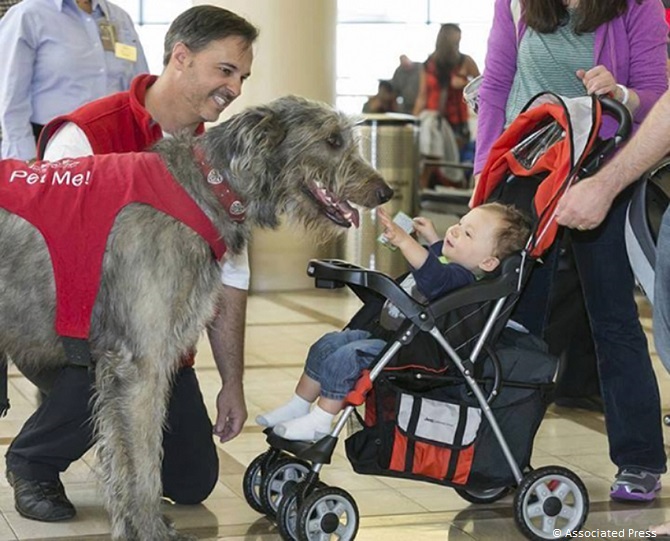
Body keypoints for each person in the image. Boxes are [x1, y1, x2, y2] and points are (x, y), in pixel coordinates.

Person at [5, 5, 258, 522]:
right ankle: (33, 460)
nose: (235, 89)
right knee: (112, 358)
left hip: (159, 346)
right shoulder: (85, 135)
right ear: (181, 59)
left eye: (243, 76)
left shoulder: (217, 159)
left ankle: (110, 438)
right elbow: (43, 252)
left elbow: (232, 275)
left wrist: (232, 383)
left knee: (192, 481)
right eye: (225, 70)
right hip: (73, 333)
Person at [475, 0, 668, 502]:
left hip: (601, 175)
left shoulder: (636, 6)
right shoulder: (514, 4)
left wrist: (621, 92)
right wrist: (483, 175)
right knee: (517, 322)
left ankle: (640, 460)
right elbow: (496, 86)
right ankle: (500, 457)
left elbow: (658, 97)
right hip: (528, 175)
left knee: (612, 318)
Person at [256, 203, 531, 441]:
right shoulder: (452, 268)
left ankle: (320, 421)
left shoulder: (462, 280)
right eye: (460, 223)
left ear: (488, 262)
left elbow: (435, 275)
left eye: (468, 233)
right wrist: (433, 238)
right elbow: (439, 263)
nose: (456, 230)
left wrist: (404, 241)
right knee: (328, 344)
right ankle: (299, 404)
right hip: (387, 336)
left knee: (347, 357)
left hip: (410, 352)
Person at [555, 87, 670, 535]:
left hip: (620, 177)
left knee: (619, 325)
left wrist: (605, 182)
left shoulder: (638, 14)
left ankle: (639, 459)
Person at [0, 0, 149, 161]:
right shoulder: (28, 14)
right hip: (51, 145)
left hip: (116, 144)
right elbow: (11, 97)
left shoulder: (119, 17)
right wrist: (24, 160)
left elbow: (140, 88)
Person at [413, 23, 480, 188]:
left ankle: (455, 195)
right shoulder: (428, 64)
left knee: (452, 166)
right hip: (433, 121)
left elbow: (483, 85)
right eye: (455, 41)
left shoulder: (465, 61)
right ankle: (425, 193)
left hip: (456, 122)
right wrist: (412, 122)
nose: (457, 45)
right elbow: (422, 95)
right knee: (430, 161)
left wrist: (464, 82)